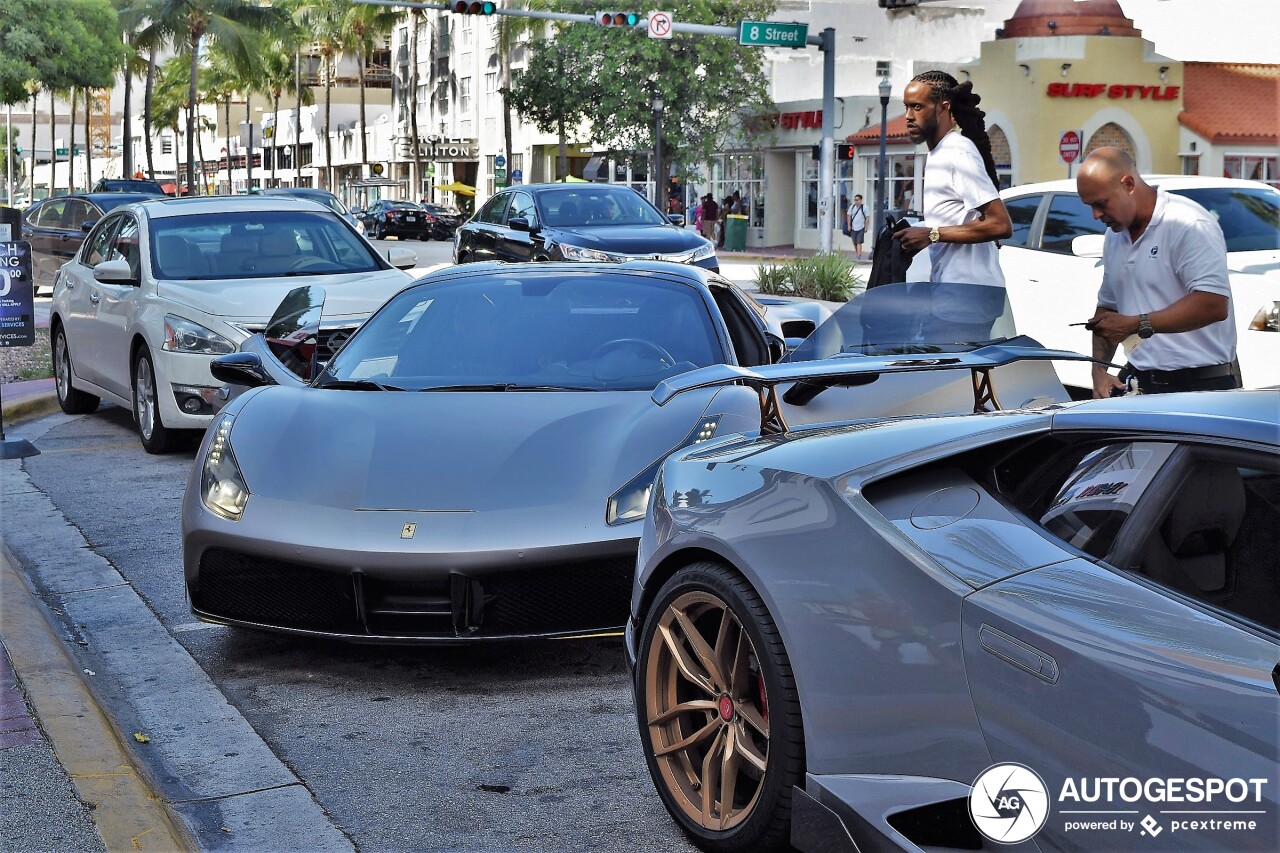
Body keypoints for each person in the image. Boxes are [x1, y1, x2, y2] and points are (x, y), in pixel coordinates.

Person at [1077, 147, 1240, 396]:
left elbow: (1213, 304)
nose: (1095, 215)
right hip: (1140, 381)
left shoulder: (1188, 223)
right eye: (1090, 206)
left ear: (1128, 184)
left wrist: (1137, 324)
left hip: (1201, 386)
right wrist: (1099, 372)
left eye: (1101, 204)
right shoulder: (1115, 236)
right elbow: (1108, 309)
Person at [893, 71, 1012, 287]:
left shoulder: (958, 153)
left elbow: (1000, 224)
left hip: (970, 289)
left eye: (917, 107)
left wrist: (933, 235)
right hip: (955, 288)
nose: (908, 116)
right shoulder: (939, 153)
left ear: (943, 108)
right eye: (906, 107)